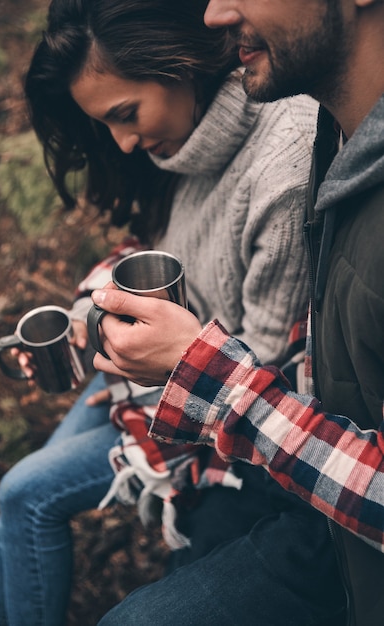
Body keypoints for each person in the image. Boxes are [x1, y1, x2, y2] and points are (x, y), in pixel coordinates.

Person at [0, 0, 327, 624]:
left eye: (125, 115)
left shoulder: (284, 158)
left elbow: (266, 358)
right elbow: (161, 255)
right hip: (152, 373)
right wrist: (88, 316)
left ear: (178, 62)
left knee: (28, 491)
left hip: (205, 402)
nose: (125, 143)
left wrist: (147, 390)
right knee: (20, 491)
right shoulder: (190, 146)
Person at [88, 0, 384, 625]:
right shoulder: (338, 141)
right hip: (313, 505)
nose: (214, 13)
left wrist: (213, 381)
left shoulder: (301, 146)